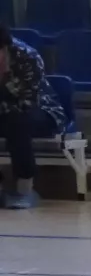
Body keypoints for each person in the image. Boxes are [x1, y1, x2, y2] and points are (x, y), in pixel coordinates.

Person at [0, 26, 63, 210]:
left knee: (16, 121)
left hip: (40, 110)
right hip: (5, 111)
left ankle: (25, 188)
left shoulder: (27, 57)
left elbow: (27, 102)